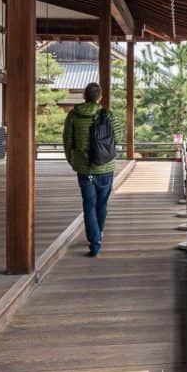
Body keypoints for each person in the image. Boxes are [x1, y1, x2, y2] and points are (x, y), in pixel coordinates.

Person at [62, 82, 124, 257]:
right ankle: (99, 233)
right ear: (100, 97)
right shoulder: (109, 115)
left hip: (84, 167)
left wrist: (72, 160)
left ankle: (94, 242)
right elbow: (117, 138)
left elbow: (67, 140)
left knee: (89, 205)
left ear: (84, 96)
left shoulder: (73, 116)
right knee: (102, 203)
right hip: (105, 167)